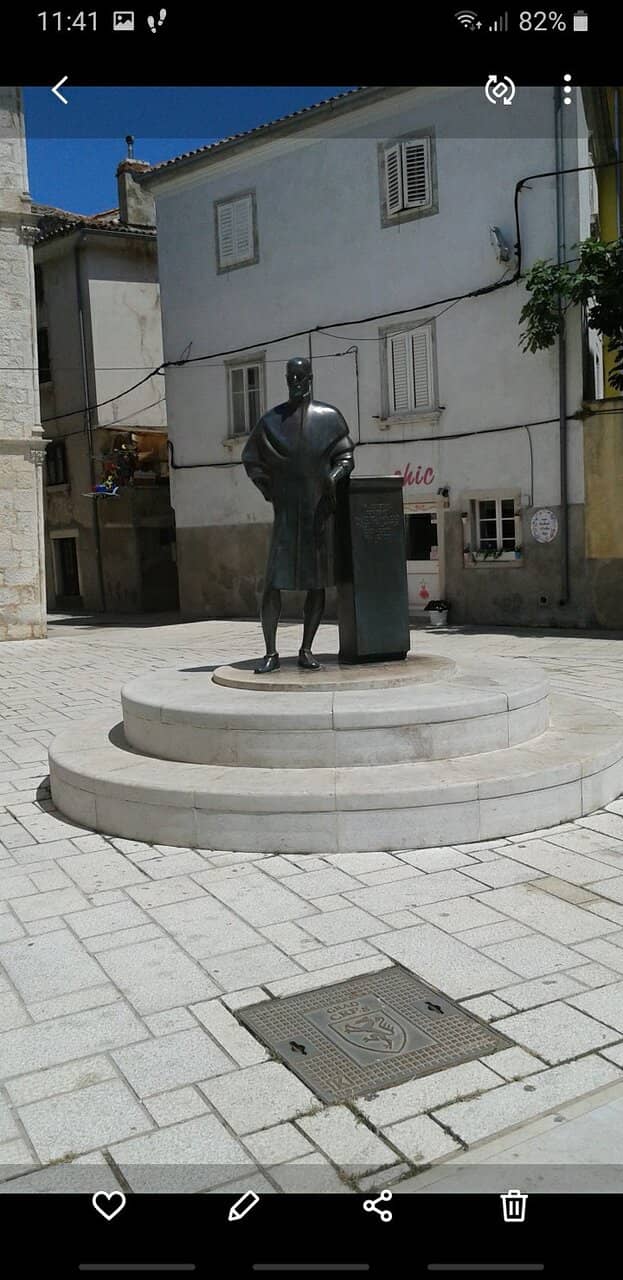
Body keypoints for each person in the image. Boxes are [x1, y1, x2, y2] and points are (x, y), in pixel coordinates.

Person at [242, 356, 355, 672]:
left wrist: (332, 479)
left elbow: (345, 457)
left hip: (317, 512)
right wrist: (268, 489)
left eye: (301, 377)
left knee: (316, 584)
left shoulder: (329, 417)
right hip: (287, 514)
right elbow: (251, 460)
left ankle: (306, 649)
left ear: (310, 378)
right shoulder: (271, 422)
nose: (296, 383)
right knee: (272, 585)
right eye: (291, 378)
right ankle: (271, 652)